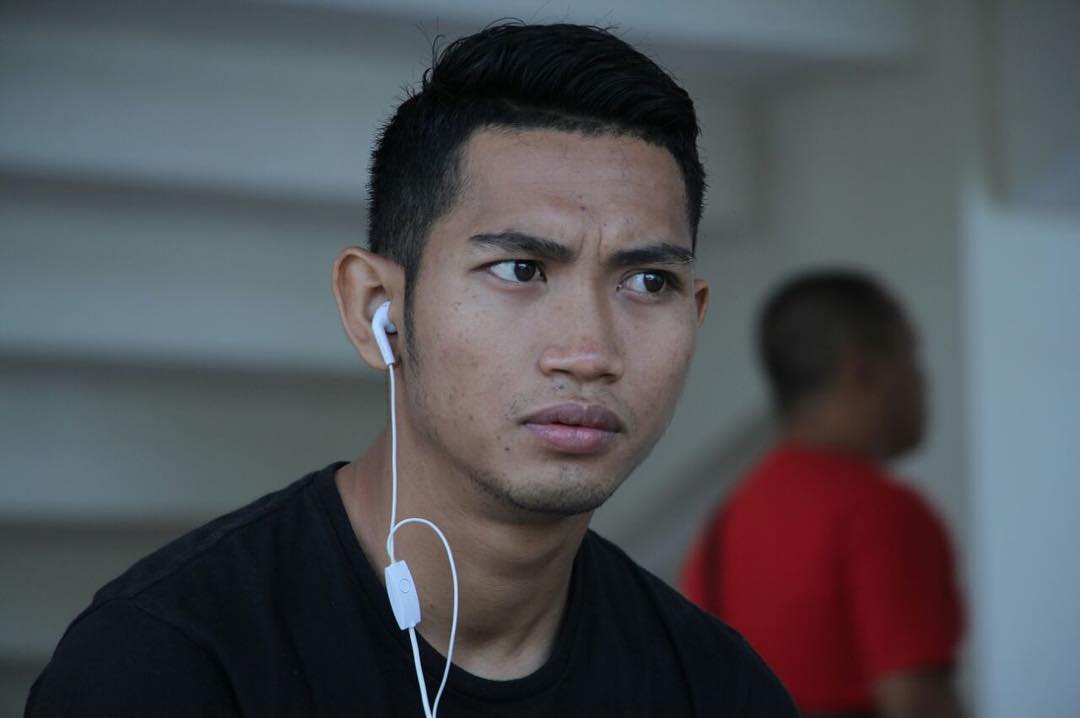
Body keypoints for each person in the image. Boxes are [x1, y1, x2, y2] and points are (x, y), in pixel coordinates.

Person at [26, 23, 796, 717]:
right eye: (520, 269)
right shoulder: (165, 663)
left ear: (695, 315)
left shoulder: (717, 688)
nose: (590, 352)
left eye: (648, 282)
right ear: (378, 308)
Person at [681, 269, 966, 718]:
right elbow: (918, 704)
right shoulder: (880, 513)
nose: (923, 380)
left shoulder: (724, 526)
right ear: (863, 371)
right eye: (911, 356)